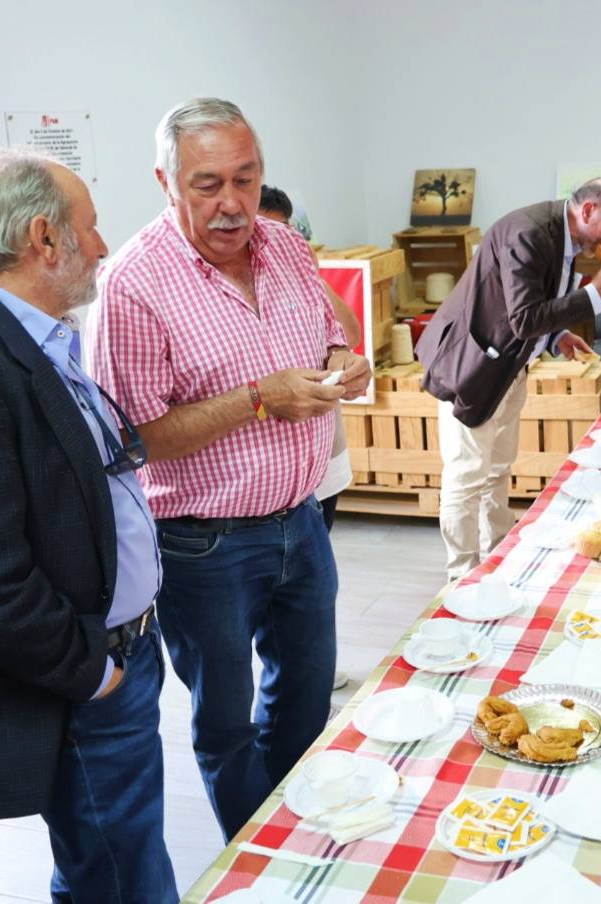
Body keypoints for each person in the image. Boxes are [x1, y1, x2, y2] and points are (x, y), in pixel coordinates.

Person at [87, 97, 372, 841]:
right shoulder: (133, 283)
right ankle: (257, 862)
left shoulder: (285, 247)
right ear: (166, 181)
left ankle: (295, 833)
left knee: (306, 697)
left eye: (245, 179)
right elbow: (133, 439)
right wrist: (257, 399)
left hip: (302, 520)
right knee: (225, 723)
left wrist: (342, 362)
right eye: (207, 184)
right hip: (201, 545)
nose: (232, 203)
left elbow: (327, 338)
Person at [0, 148, 175, 902]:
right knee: (121, 877)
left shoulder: (42, 337)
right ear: (44, 238)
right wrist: (94, 674)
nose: (101, 245)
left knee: (110, 859)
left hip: (125, 648)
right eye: (89, 227)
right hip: (82, 677)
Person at [417, 178, 601, 580]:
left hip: (508, 368)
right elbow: (525, 318)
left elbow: (532, 303)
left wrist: (557, 335)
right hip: (472, 367)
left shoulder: (564, 237)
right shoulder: (529, 233)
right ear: (587, 211)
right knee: (466, 475)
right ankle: (462, 577)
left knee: (497, 470)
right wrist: (595, 294)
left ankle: (497, 559)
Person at [256, 183, 357, 692]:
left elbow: (349, 334)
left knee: (313, 573)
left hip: (322, 457)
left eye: (286, 230)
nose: (276, 239)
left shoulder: (299, 276)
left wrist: (309, 272)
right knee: (268, 586)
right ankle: (287, 668)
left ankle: (309, 664)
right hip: (266, 474)